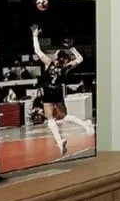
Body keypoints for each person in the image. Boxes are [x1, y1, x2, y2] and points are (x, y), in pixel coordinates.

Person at [31, 25, 93, 156]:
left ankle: (60, 141)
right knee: (64, 116)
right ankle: (85, 124)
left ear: (57, 57)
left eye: (56, 54)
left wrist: (35, 35)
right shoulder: (65, 67)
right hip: (57, 92)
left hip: (48, 92)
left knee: (51, 120)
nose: (53, 54)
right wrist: (72, 48)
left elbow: (37, 50)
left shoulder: (49, 63)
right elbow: (80, 59)